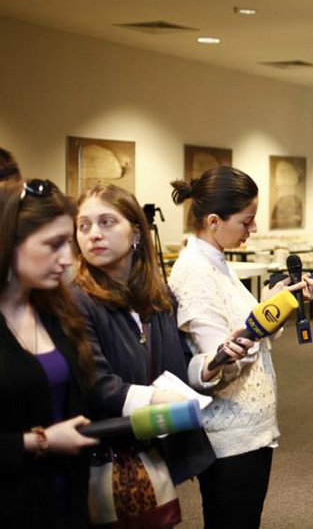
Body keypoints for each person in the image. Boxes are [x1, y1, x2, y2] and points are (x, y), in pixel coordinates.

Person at [168, 166, 313, 529]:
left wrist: (276, 303)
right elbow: (219, 365)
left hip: (249, 431)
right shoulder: (196, 273)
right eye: (246, 221)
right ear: (214, 221)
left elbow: (245, 327)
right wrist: (262, 320)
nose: (253, 229)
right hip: (229, 437)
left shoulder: (217, 262)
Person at [72, 184, 233, 493]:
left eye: (107, 222)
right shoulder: (76, 301)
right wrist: (158, 400)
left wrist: (214, 362)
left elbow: (176, 363)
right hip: (108, 462)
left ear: (136, 232)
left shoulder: (158, 297)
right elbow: (96, 384)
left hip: (154, 457)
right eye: (84, 225)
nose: (94, 234)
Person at [0, 178, 98, 528]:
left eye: (68, 243)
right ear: (9, 242)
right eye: (54, 244)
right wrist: (39, 442)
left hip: (64, 502)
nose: (68, 259)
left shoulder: (56, 310)